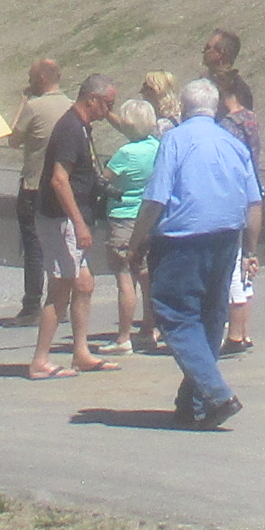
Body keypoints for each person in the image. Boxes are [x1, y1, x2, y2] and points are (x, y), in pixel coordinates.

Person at [139, 81, 262, 428]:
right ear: (216, 108)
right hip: (226, 237)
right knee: (210, 315)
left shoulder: (174, 140)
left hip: (181, 239)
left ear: (183, 107)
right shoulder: (234, 143)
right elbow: (254, 203)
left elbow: (156, 198)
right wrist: (250, 250)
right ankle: (193, 400)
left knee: (176, 316)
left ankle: (217, 395)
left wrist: (137, 240)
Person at [27, 73, 121, 379]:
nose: (109, 111)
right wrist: (79, 224)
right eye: (107, 104)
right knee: (60, 288)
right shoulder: (70, 128)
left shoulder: (81, 127)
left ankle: (80, 353)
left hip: (72, 218)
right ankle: (40, 360)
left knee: (84, 284)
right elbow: (59, 180)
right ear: (92, 99)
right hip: (61, 219)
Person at [199, 32, 265, 356]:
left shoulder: (232, 108)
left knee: (231, 260)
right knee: (240, 258)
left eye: (209, 47)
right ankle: (239, 329)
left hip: (228, 189)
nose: (204, 50)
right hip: (244, 188)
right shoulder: (244, 115)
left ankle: (234, 330)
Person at [8, 57, 71, 323]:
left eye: (31, 77)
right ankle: (61, 304)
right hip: (64, 186)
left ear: (41, 79)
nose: (29, 81)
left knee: (34, 248)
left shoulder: (34, 107)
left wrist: (23, 102)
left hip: (34, 186)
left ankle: (32, 305)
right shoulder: (70, 106)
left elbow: (13, 140)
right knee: (63, 245)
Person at [104, 88, 166, 354]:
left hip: (123, 217)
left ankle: (123, 337)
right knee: (145, 275)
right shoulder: (158, 148)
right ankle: (149, 330)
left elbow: (105, 179)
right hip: (149, 218)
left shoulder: (125, 153)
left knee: (124, 277)